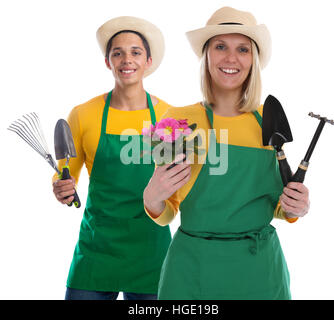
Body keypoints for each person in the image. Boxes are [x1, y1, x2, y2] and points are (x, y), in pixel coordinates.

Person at [143, 7, 310, 300]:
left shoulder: (266, 121)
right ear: (206, 55)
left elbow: (278, 206)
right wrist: (151, 198)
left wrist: (296, 207)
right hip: (192, 270)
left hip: (258, 271)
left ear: (253, 60)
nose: (231, 58)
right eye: (220, 46)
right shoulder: (177, 122)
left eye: (242, 49)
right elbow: (166, 210)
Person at [52, 16, 172, 300]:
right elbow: (66, 176)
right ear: (108, 61)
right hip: (97, 249)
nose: (126, 60)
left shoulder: (169, 116)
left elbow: (179, 184)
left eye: (135, 52)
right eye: (117, 53)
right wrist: (62, 188)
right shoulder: (83, 114)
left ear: (148, 61)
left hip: (151, 251)